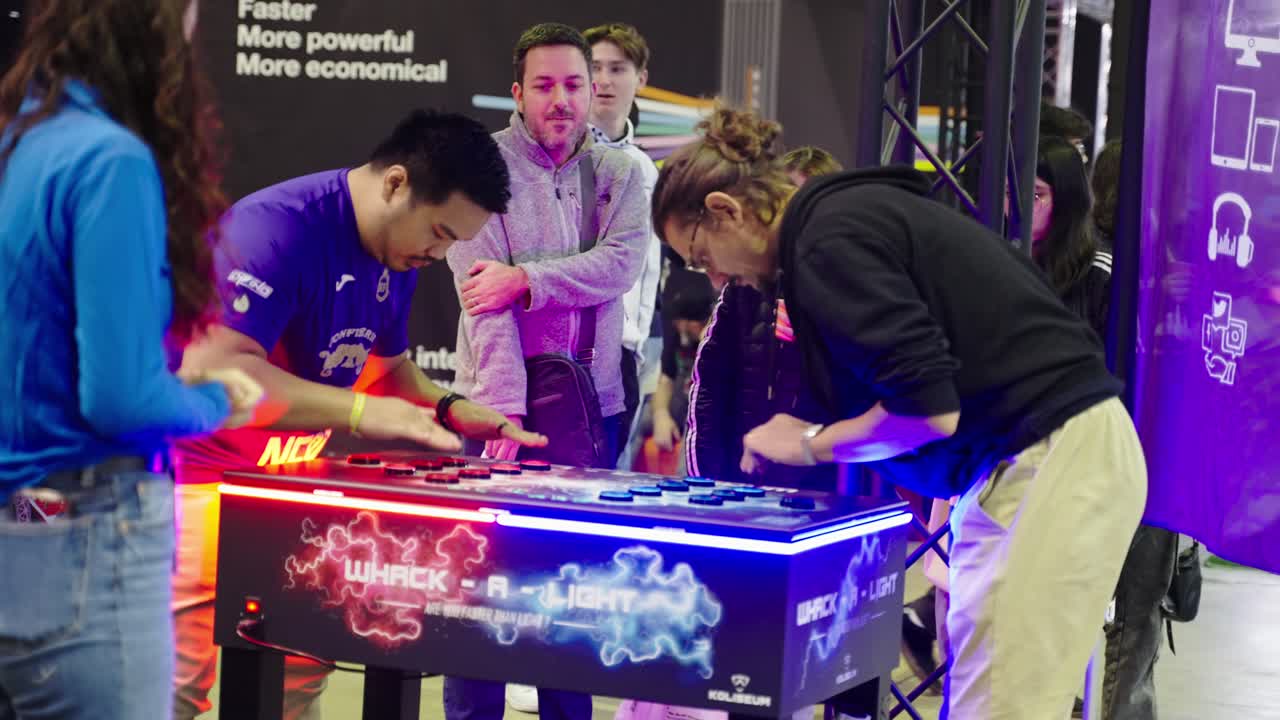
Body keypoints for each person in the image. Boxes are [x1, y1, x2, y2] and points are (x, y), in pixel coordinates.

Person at [652, 106, 1146, 720]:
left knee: (1000, 707)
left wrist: (811, 441)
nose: (715, 277)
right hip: (1029, 458)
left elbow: (927, 410)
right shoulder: (842, 224)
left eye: (702, 257)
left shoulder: (827, 239)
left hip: (1053, 456)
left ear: (726, 210)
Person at [171, 109, 546, 720]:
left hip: (293, 497)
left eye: (454, 241)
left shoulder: (394, 256)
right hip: (197, 487)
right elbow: (215, 374)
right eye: (440, 232)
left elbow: (387, 370)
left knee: (294, 687)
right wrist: (364, 411)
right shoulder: (275, 229)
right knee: (173, 689)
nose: (440, 252)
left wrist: (450, 407)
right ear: (397, 184)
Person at [0, 1, 262, 717]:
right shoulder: (110, 159)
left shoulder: (24, 141)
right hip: (90, 536)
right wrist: (215, 400)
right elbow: (119, 400)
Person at [445, 22, 648, 720]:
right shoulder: (482, 170)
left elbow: (619, 267)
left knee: (571, 598)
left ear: (593, 91)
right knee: (480, 600)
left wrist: (525, 280)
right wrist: (505, 416)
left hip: (598, 406)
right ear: (517, 93)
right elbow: (483, 302)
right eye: (545, 86)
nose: (560, 100)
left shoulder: (623, 174)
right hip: (498, 413)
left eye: (573, 84)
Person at [683, 146, 842, 490]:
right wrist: (704, 483)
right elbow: (708, 386)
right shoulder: (744, 285)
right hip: (740, 481)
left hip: (824, 486)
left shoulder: (856, 289)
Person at [582, 21, 664, 474]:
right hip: (570, 353)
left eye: (618, 68)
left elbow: (649, 272)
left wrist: (638, 353)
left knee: (608, 479)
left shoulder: (646, 168)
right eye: (594, 67)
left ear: (641, 79)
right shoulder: (557, 156)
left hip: (628, 354)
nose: (605, 80)